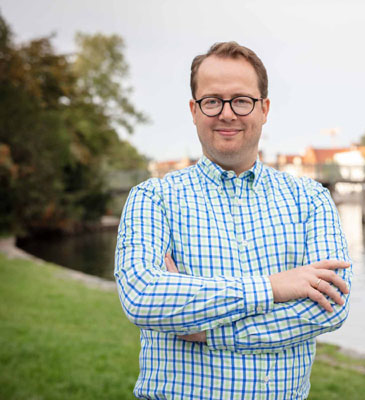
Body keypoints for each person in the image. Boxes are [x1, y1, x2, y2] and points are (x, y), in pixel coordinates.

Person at [115, 41, 352, 399]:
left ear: (264, 108)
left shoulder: (310, 199)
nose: (227, 113)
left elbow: (331, 305)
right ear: (194, 110)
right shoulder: (154, 198)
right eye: (212, 101)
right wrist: (273, 288)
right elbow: (144, 296)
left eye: (241, 100)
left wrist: (207, 330)